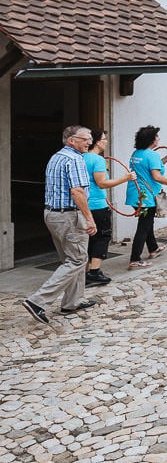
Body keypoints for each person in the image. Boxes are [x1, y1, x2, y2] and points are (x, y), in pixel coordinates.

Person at [22, 126, 99, 324]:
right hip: (69, 216)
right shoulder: (75, 159)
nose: (89, 142)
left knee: (71, 258)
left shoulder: (56, 156)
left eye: (90, 138)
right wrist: (89, 218)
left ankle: (72, 302)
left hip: (52, 215)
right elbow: (77, 192)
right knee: (77, 260)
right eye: (85, 139)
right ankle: (37, 301)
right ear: (71, 140)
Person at [83, 129, 136, 286]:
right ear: (98, 142)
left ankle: (85, 272)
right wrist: (125, 178)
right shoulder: (97, 160)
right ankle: (94, 272)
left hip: (84, 204)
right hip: (98, 204)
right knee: (102, 237)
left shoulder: (80, 157)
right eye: (104, 139)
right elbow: (102, 183)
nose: (106, 142)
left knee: (89, 239)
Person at [125, 125, 167, 270]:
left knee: (147, 223)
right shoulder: (152, 155)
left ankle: (153, 249)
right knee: (143, 227)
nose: (159, 138)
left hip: (134, 194)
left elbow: (154, 166)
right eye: (156, 136)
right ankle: (135, 259)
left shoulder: (136, 154)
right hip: (146, 197)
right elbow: (156, 175)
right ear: (151, 140)